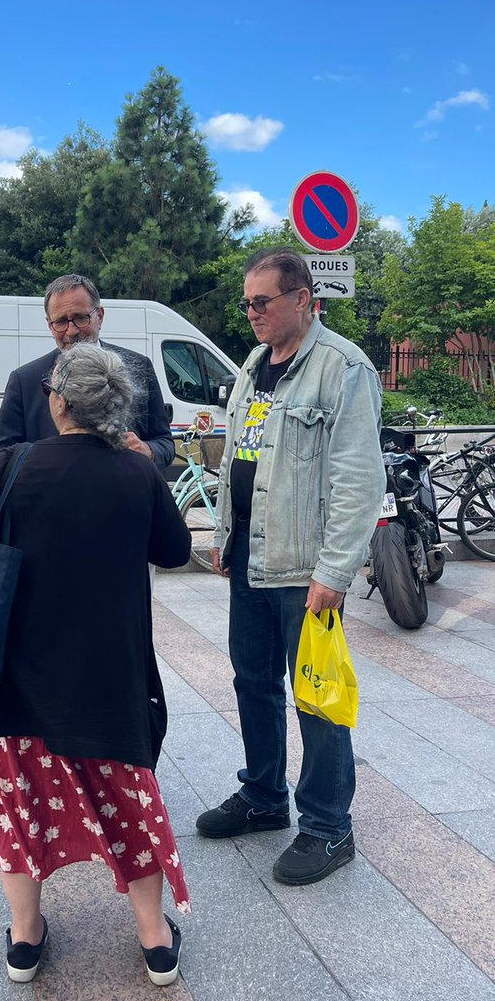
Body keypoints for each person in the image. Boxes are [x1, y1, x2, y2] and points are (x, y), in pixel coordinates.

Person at [0, 343, 192, 986]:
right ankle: (155, 940)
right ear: (118, 408)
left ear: (56, 403)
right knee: (129, 801)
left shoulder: (13, 465)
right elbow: (173, 549)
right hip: (109, 676)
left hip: (18, 675)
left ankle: (25, 940)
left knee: (18, 801)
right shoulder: (136, 473)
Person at [197, 247, 385, 885]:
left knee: (318, 696)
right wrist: (225, 530)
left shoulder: (342, 369)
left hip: (307, 568)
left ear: (302, 299)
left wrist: (334, 572)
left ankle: (329, 828)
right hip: (253, 555)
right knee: (252, 682)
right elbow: (237, 457)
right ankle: (264, 797)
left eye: (261, 302)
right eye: (245, 303)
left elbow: (358, 479)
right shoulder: (254, 365)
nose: (249, 313)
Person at [0, 273, 175, 468]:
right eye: (60, 321)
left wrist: (148, 451)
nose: (71, 331)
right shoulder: (24, 381)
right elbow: (0, 458)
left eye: (80, 318)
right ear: (49, 325)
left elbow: (164, 442)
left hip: (125, 495)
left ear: (100, 315)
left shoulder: (138, 367)